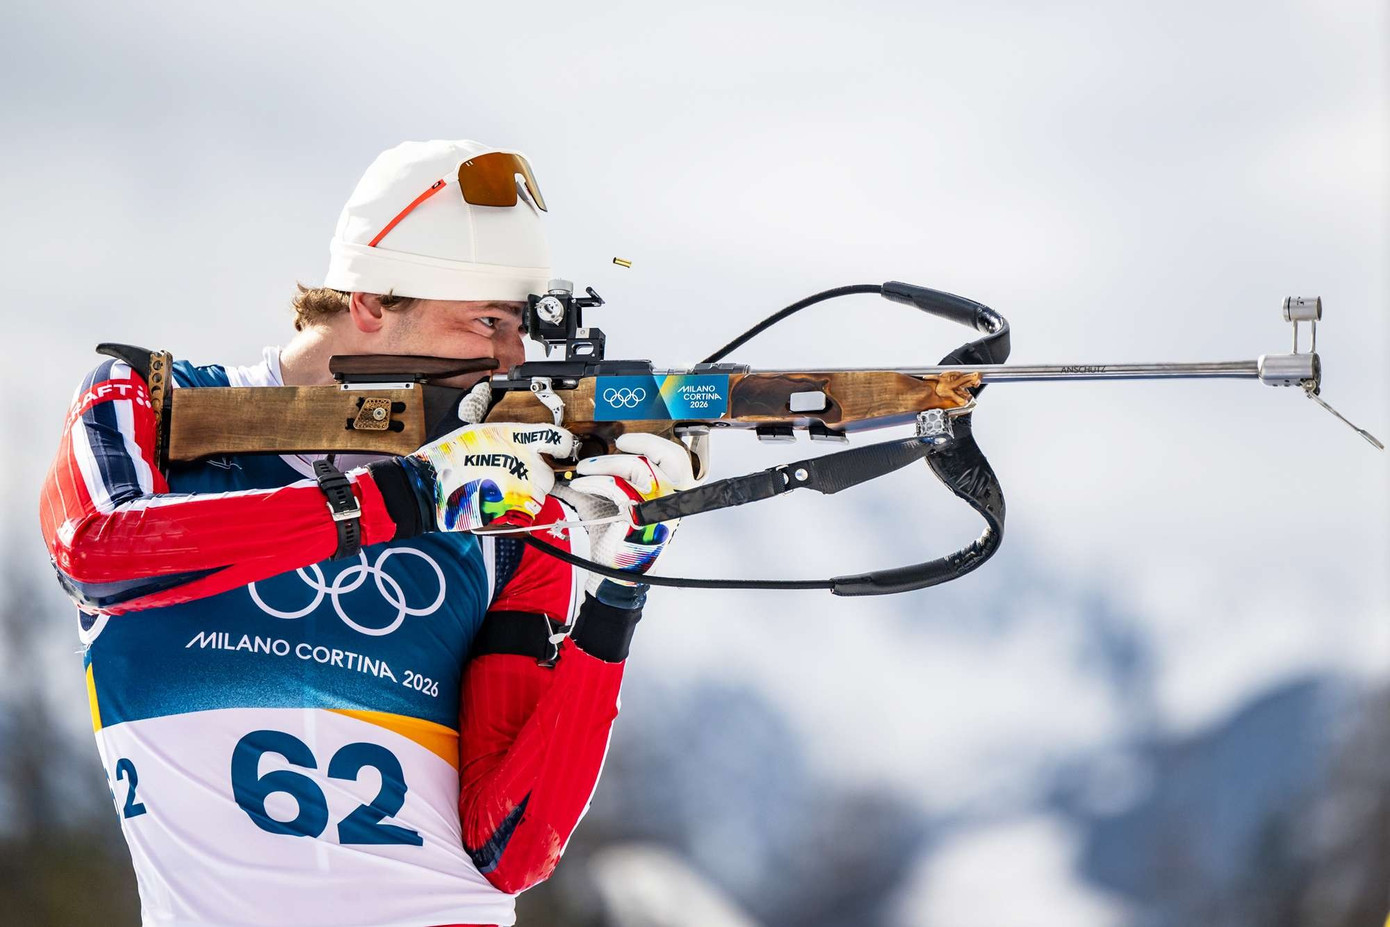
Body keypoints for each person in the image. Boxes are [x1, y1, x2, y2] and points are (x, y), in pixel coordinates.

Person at [37, 139, 696, 927]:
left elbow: (515, 846)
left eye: (521, 332)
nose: (509, 363)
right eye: (488, 321)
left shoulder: (507, 513)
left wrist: (621, 587)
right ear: (371, 303)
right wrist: (406, 495)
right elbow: (101, 553)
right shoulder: (149, 402)